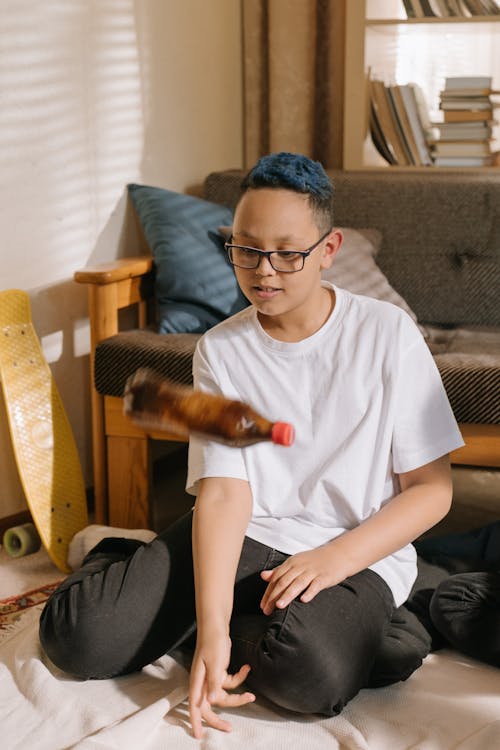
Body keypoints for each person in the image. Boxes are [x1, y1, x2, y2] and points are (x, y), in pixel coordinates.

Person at [39, 152, 464, 739]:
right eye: (245, 249)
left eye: (288, 253)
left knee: (307, 676)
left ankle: (374, 627)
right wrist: (212, 626)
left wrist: (332, 559)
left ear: (329, 250)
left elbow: (432, 490)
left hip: (348, 555)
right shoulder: (220, 350)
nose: (264, 271)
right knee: (79, 638)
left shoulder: (388, 335)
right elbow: (224, 495)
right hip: (245, 536)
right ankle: (122, 556)